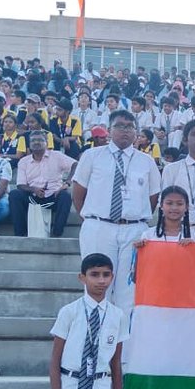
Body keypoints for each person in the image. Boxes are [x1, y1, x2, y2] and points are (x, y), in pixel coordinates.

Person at [24, 253, 127, 389]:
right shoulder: (69, 312)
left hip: (99, 385)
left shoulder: (117, 316)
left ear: (112, 277)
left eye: (106, 275)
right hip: (72, 384)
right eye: (94, 275)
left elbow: (116, 364)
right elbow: (55, 362)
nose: (101, 280)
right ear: (82, 278)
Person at [72, 110, 162, 310]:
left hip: (134, 230)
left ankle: (122, 330)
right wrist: (92, 219)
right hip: (99, 226)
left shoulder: (146, 161)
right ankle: (96, 328)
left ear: (136, 132)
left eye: (130, 127)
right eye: (120, 126)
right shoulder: (92, 156)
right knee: (97, 285)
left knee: (128, 290)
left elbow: (153, 196)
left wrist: (134, 217)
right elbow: (78, 192)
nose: (125, 130)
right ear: (109, 130)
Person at [134, 185, 195, 389]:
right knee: (154, 374)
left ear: (187, 208)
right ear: (161, 206)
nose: (174, 208)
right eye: (169, 203)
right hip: (154, 314)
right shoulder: (148, 237)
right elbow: (136, 277)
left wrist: (194, 252)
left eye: (179, 203)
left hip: (183, 316)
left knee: (176, 376)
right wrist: (139, 253)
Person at [11, 131, 76, 238]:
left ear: (47, 142)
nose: (36, 142)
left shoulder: (56, 156)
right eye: (33, 140)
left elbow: (76, 164)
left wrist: (67, 183)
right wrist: (34, 189)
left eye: (40, 140)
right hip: (33, 198)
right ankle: (20, 234)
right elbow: (20, 185)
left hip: (53, 196)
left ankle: (56, 234)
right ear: (29, 144)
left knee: (65, 196)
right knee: (14, 194)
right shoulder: (23, 161)